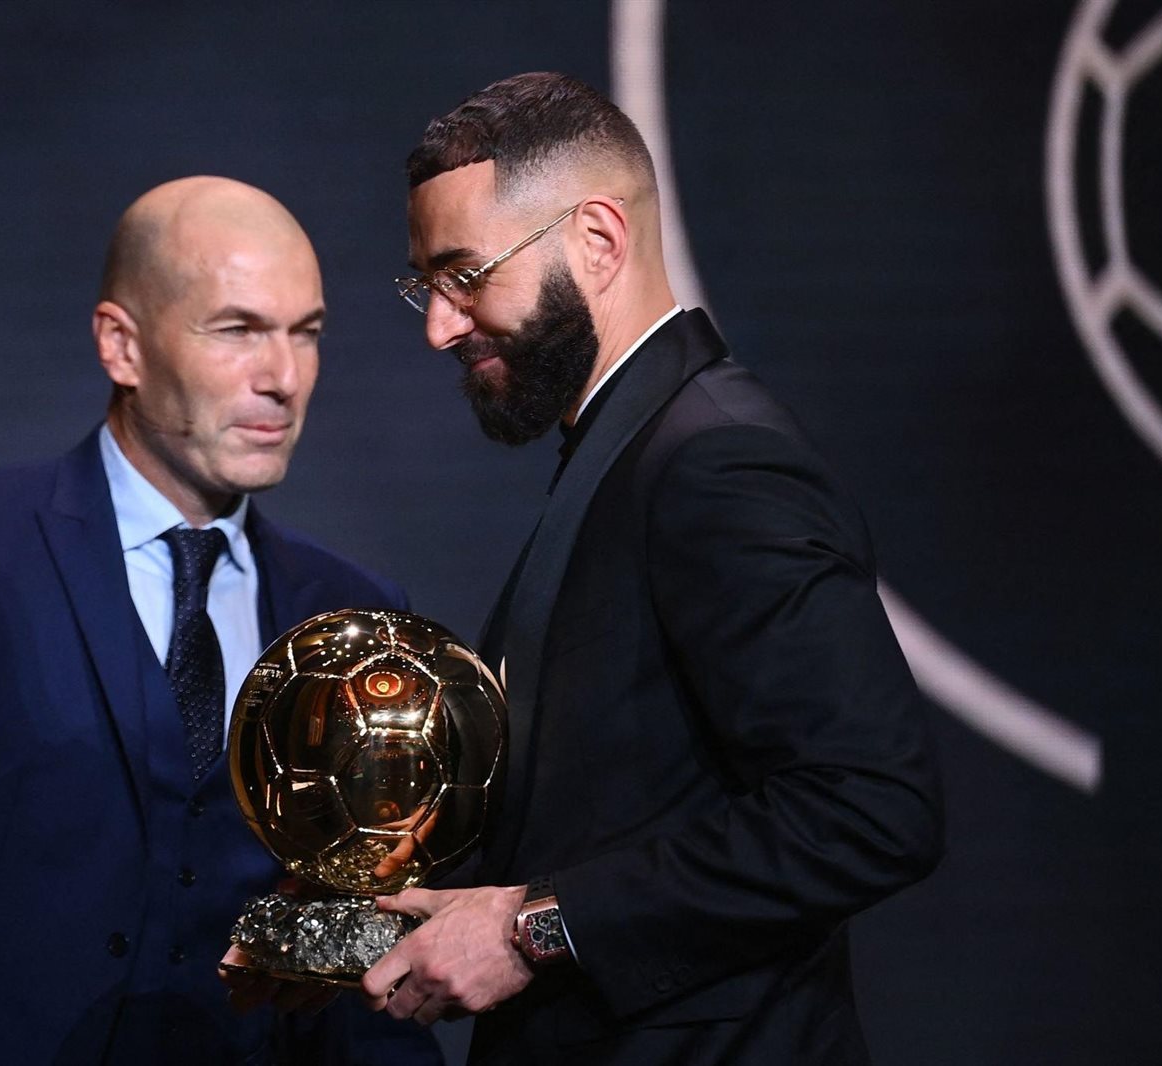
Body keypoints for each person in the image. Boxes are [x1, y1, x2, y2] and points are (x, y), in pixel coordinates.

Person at [0, 176, 439, 1066]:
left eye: (305, 332)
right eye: (237, 329)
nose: (282, 378)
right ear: (121, 345)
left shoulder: (352, 616)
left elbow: (366, 946)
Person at [360, 73, 944, 1065]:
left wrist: (531, 931)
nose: (440, 326)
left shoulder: (719, 462)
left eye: (466, 275)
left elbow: (871, 806)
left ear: (597, 241)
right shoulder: (625, 453)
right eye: (427, 285)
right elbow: (609, 812)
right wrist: (370, 918)